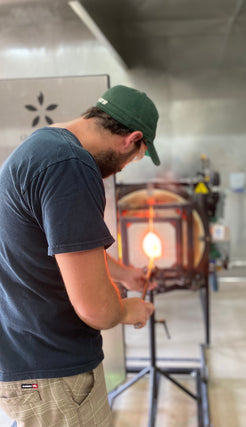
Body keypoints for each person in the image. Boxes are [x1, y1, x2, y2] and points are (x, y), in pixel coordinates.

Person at [0, 85, 160, 426]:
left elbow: (64, 248)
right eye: (135, 157)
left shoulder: (44, 148)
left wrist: (125, 275)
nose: (125, 167)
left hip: (28, 361)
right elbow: (96, 310)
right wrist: (127, 308)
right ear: (131, 139)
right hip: (56, 373)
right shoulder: (71, 167)